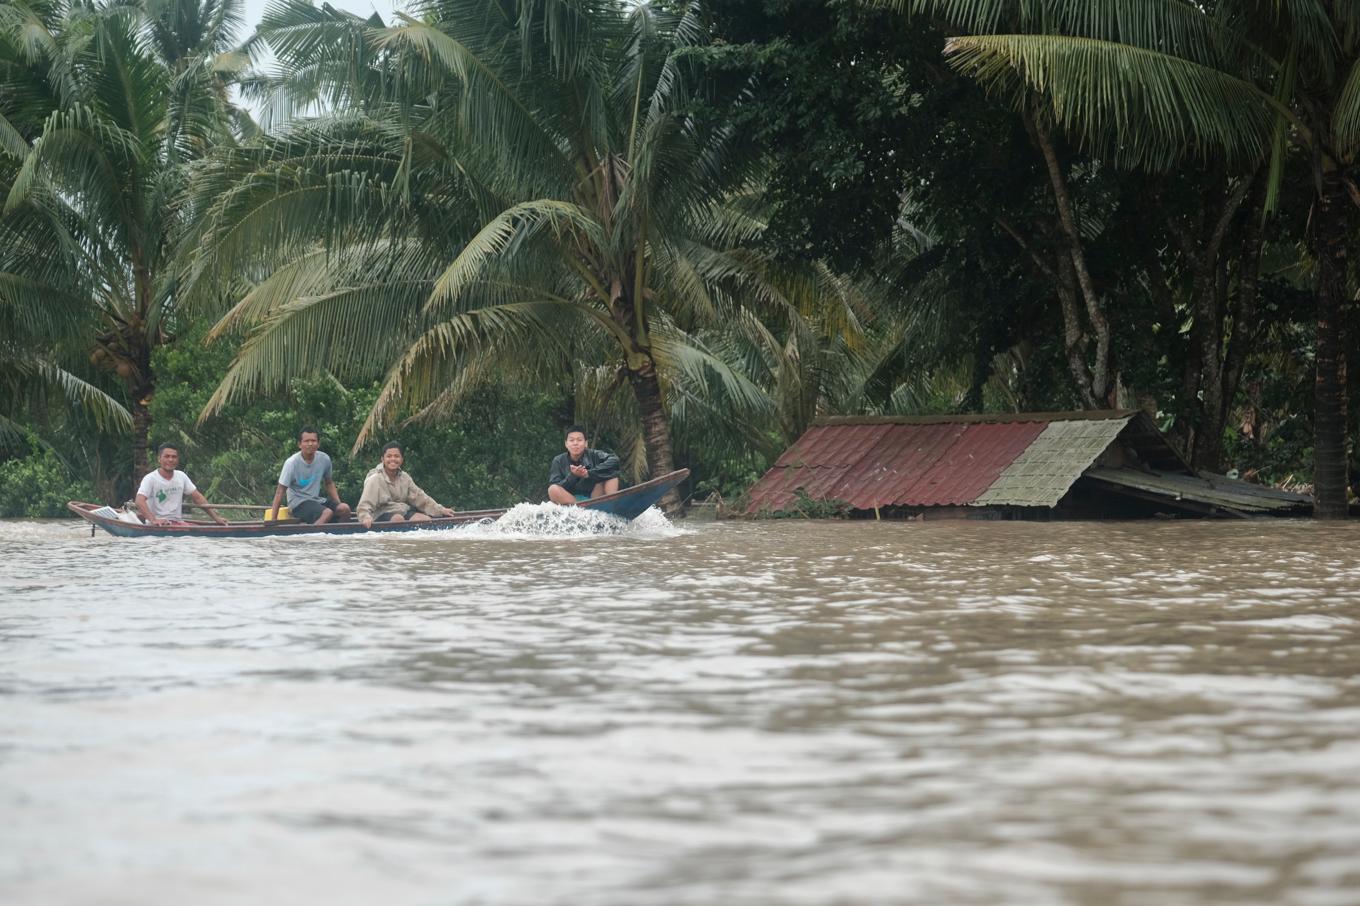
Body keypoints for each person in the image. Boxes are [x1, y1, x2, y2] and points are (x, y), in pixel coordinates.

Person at [356, 442, 456, 529]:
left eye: (396, 456)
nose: (393, 459)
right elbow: (365, 503)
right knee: (398, 519)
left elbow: (420, 497)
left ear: (402, 459)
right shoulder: (375, 478)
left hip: (402, 510)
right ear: (382, 459)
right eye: (389, 456)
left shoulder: (405, 477)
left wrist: (440, 510)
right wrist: (365, 517)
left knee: (425, 520)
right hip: (380, 513)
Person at [269, 426, 351, 524]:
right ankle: (313, 535)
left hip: (316, 500)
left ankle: (338, 535)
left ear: (318, 444)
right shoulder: (291, 463)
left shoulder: (324, 459)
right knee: (327, 513)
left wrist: (338, 503)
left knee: (345, 509)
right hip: (298, 504)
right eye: (306, 441)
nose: (310, 444)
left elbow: (329, 483)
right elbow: (280, 491)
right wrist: (273, 519)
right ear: (300, 444)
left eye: (313, 441)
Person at [135, 443, 228, 526]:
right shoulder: (150, 478)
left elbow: (198, 498)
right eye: (167, 456)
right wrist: (154, 520)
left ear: (177, 459)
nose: (170, 460)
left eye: (174, 457)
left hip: (177, 523)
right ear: (159, 459)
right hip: (157, 526)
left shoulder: (181, 476)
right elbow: (139, 501)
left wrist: (216, 518)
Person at [548, 425, 619, 504]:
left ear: (586, 443)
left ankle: (612, 504)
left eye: (579, 440)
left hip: (595, 497)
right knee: (552, 489)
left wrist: (589, 473)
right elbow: (557, 485)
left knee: (611, 474)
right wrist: (573, 476)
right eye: (571, 440)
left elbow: (614, 460)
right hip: (571, 501)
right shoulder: (558, 460)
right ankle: (582, 508)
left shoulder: (594, 454)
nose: (575, 443)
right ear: (566, 444)